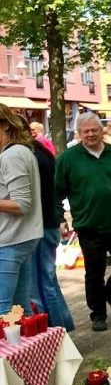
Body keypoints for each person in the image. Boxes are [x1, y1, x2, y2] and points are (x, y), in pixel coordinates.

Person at [54, 113, 111, 332]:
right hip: (89, 224)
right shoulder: (68, 159)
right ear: (79, 133)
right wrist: (60, 218)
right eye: (86, 131)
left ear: (102, 131)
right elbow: (56, 192)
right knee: (94, 272)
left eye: (94, 130)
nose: (91, 134)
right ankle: (98, 315)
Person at [17, 117, 74, 331]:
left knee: (40, 287)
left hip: (39, 227)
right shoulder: (39, 152)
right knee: (48, 282)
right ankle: (64, 327)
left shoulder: (32, 156)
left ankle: (56, 334)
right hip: (46, 224)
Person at [0, 105, 44, 315]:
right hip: (19, 238)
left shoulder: (12, 155)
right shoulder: (19, 151)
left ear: (5, 125)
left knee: (4, 309)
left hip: (10, 240)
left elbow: (21, 204)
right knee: (20, 309)